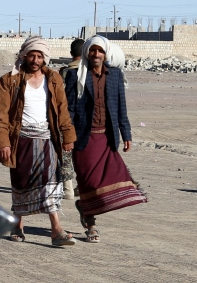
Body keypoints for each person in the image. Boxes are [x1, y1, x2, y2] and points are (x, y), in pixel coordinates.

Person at [0, 37, 77, 245]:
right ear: (24, 55)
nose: (35, 60)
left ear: (45, 58)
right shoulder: (8, 81)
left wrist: (68, 136)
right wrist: (3, 143)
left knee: (51, 184)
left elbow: (62, 111)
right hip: (21, 140)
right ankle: (17, 224)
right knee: (21, 184)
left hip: (48, 140)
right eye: (32, 55)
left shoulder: (54, 79)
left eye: (39, 56)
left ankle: (56, 230)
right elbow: (0, 115)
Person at [63, 36, 147, 242]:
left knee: (111, 177)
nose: (96, 55)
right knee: (88, 181)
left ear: (106, 53)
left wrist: (126, 133)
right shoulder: (75, 75)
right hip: (83, 137)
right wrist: (67, 135)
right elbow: (70, 109)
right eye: (93, 51)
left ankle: (84, 207)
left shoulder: (115, 75)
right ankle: (90, 224)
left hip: (107, 137)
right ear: (87, 53)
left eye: (100, 51)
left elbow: (121, 106)